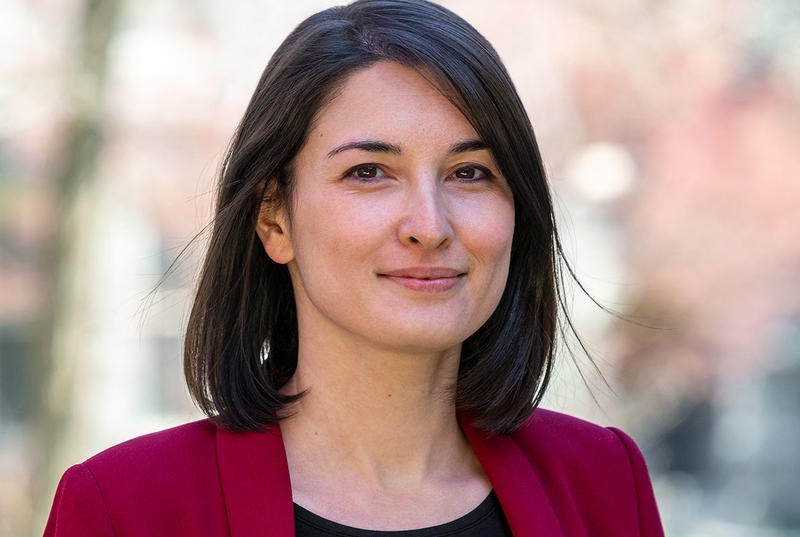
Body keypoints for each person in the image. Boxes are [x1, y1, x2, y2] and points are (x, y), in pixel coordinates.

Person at [43, 0, 666, 535]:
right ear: (274, 221)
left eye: (470, 173)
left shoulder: (605, 485)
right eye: (368, 172)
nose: (430, 224)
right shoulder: (124, 509)